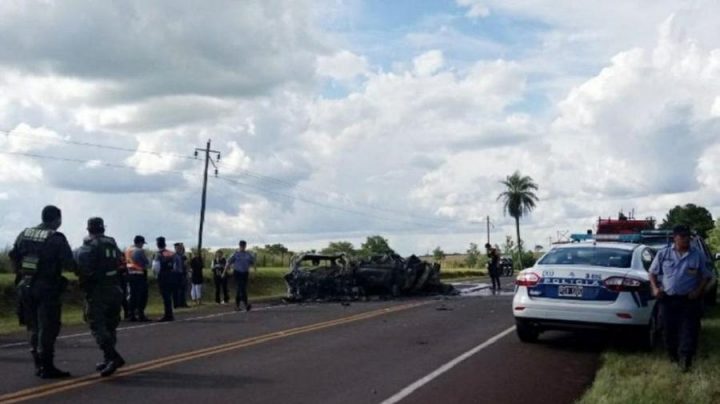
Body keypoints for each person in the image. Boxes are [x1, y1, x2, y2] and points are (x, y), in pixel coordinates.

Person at [8, 205, 75, 378]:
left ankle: (38, 365)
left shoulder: (25, 233)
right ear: (57, 219)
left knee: (34, 327)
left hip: (26, 285)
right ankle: (47, 366)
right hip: (47, 287)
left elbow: (13, 256)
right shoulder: (56, 238)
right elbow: (69, 263)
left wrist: (20, 275)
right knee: (48, 327)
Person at [649, 224, 712, 372]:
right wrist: (655, 288)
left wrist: (698, 291)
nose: (686, 240)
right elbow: (652, 273)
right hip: (668, 299)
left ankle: (686, 360)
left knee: (689, 330)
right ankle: (673, 357)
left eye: (687, 237)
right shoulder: (663, 254)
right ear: (674, 238)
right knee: (668, 330)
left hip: (689, 300)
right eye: (682, 237)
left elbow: (706, 276)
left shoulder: (697, 255)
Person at [74, 217, 126, 377]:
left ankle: (112, 357)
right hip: (114, 289)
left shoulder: (89, 246)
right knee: (110, 326)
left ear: (89, 229)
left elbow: (80, 265)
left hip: (98, 291)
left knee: (97, 325)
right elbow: (121, 262)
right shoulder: (111, 244)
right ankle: (108, 358)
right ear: (103, 228)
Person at [225, 240, 256, 311]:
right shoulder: (235, 254)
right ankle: (246, 304)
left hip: (245, 273)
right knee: (241, 288)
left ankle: (237, 305)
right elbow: (228, 262)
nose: (242, 247)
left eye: (244, 246)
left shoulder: (248, 254)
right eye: (241, 246)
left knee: (241, 289)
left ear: (245, 246)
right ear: (239, 246)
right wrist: (225, 272)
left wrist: (254, 272)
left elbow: (253, 262)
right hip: (237, 273)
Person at [125, 235, 150, 322]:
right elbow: (146, 263)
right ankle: (140, 314)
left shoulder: (128, 250)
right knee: (142, 296)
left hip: (130, 274)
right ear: (139, 242)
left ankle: (131, 314)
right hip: (139, 274)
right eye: (142, 243)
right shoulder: (139, 251)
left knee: (132, 295)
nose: (143, 245)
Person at [153, 237, 176, 322]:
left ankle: (167, 314)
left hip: (162, 275)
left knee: (165, 295)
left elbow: (156, 267)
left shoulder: (158, 254)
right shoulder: (171, 253)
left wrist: (156, 276)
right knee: (169, 295)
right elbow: (175, 265)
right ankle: (169, 313)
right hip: (171, 275)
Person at [173, 242, 190, 308]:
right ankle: (177, 304)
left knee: (183, 289)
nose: (180, 248)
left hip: (183, 273)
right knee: (177, 290)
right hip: (177, 274)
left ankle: (183, 303)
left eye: (181, 247)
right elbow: (174, 266)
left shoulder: (182, 256)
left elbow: (186, 264)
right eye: (178, 247)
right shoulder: (174, 256)